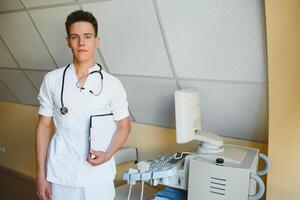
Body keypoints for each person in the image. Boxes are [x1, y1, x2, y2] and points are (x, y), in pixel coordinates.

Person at [35, 10, 131, 200]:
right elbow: (44, 127)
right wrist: (40, 175)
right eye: (75, 37)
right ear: (68, 41)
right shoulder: (52, 80)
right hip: (61, 173)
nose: (81, 43)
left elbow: (124, 126)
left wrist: (109, 154)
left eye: (87, 37)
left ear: (97, 41)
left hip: (98, 177)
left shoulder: (112, 84)